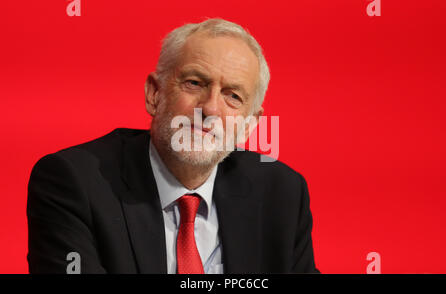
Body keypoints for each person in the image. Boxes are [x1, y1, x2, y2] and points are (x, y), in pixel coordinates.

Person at [27, 18, 319, 274]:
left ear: (250, 125)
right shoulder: (73, 182)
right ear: (154, 94)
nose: (210, 109)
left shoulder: (282, 193)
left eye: (233, 96)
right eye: (194, 83)